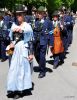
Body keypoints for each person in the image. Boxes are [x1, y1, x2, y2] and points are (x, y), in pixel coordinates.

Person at [7, 5, 34, 99]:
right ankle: (13, 88)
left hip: (23, 49)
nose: (18, 16)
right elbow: (10, 38)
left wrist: (31, 53)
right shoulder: (13, 25)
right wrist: (10, 46)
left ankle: (19, 90)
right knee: (13, 69)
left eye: (20, 14)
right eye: (17, 14)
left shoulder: (27, 26)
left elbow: (30, 40)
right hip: (14, 50)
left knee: (22, 70)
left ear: (24, 15)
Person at [33, 6, 54, 78]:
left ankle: (42, 71)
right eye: (37, 13)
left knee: (42, 56)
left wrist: (51, 43)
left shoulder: (48, 22)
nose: (38, 14)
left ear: (44, 14)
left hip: (44, 42)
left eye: (40, 13)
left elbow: (51, 33)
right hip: (36, 42)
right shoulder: (35, 21)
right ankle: (42, 65)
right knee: (36, 55)